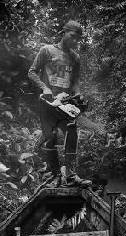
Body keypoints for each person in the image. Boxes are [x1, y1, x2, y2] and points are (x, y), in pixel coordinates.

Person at [28, 20, 91, 187]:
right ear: (64, 33)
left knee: (72, 134)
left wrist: (78, 95)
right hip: (48, 102)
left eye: (78, 39)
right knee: (51, 137)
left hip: (65, 103)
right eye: (72, 37)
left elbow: (75, 81)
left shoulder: (75, 57)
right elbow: (32, 72)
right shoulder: (47, 50)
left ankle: (70, 176)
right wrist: (44, 87)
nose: (75, 41)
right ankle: (54, 176)